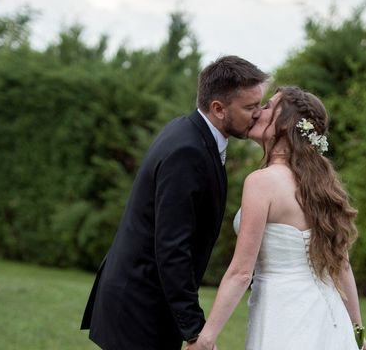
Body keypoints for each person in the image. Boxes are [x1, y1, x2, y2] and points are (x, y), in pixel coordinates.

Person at [81, 55, 268, 350]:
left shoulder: (192, 132)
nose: (258, 114)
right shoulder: (188, 151)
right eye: (249, 107)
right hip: (140, 306)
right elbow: (172, 245)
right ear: (218, 109)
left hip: (148, 301)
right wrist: (194, 329)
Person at [187, 86, 366, 350]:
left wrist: (205, 339)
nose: (259, 112)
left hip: (284, 319)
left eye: (269, 107)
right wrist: (357, 334)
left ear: (285, 124)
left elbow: (240, 272)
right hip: (331, 323)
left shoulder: (262, 183)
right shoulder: (321, 187)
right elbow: (342, 266)